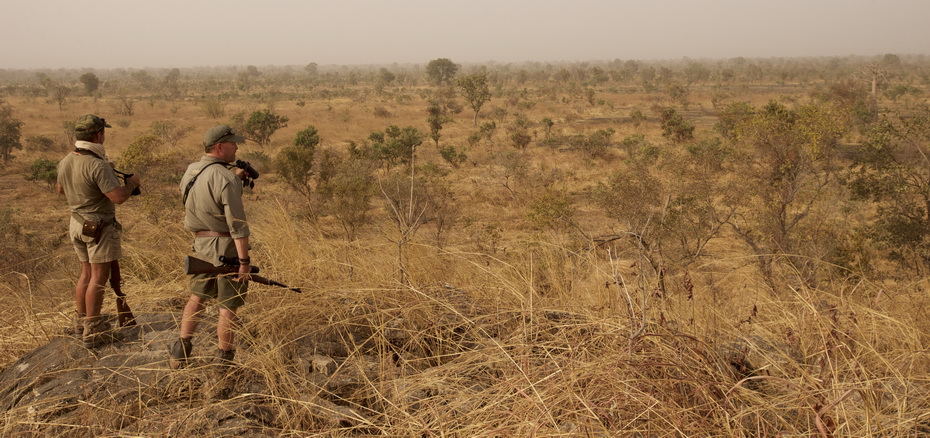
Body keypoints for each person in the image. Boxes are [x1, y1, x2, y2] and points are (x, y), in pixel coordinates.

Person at [170, 125, 252, 369]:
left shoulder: (191, 171)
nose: (236, 147)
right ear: (220, 147)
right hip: (225, 245)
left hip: (200, 243)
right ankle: (223, 361)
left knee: (197, 296)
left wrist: (233, 181)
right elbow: (237, 226)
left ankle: (180, 351)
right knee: (228, 304)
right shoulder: (226, 178)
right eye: (233, 143)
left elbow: (207, 196)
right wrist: (244, 262)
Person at [57, 114, 141, 348]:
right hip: (98, 226)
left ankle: (81, 321)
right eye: (103, 132)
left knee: (85, 273)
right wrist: (132, 183)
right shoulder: (97, 164)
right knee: (99, 277)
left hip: (77, 222)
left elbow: (60, 190)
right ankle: (94, 329)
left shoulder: (66, 160)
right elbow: (118, 198)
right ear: (97, 135)